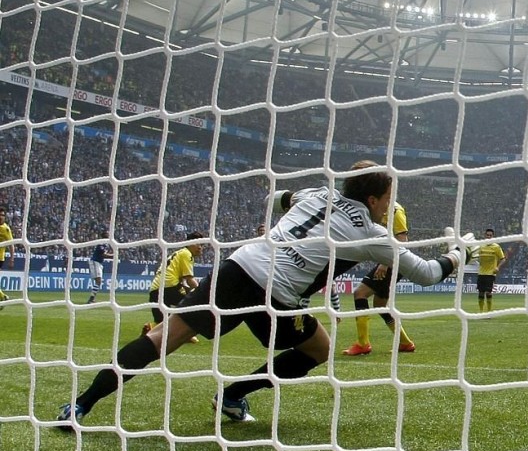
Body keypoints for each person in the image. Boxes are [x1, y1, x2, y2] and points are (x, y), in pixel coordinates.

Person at [56, 161, 477, 427]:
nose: (390, 204)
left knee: (164, 337)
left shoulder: (316, 193)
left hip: (240, 267)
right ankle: (235, 393)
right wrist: (460, 254)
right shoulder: (372, 233)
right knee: (319, 348)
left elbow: (274, 198)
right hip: (278, 295)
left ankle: (79, 406)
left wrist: (291, 207)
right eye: (388, 197)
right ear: (372, 198)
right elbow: (425, 274)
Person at [342, 200, 415, 355]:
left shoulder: (395, 210)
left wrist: (385, 264)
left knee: (360, 293)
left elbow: (402, 241)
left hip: (394, 262)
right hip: (391, 260)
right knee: (380, 305)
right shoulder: (375, 207)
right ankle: (405, 343)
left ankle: (363, 344)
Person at [141, 231, 204, 342]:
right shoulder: (186, 254)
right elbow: (190, 280)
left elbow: (184, 282)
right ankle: (186, 333)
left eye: (202, 245)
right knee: (194, 304)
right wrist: (203, 292)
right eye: (197, 244)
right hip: (168, 288)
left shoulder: (179, 253)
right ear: (189, 243)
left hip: (156, 290)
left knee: (163, 323)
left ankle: (150, 328)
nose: (200, 247)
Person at [475, 228, 506, 312]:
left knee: (488, 293)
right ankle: (481, 312)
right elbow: (476, 256)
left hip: (490, 274)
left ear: (493, 236)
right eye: (487, 235)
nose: (489, 237)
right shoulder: (480, 246)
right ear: (485, 235)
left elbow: (503, 259)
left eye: (490, 235)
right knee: (481, 293)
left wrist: (497, 267)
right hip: (481, 273)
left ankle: (488, 312)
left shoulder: (496, 247)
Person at [86, 237, 114, 304]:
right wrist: (113, 255)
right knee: (98, 281)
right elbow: (103, 255)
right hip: (95, 262)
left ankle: (92, 298)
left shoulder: (105, 245)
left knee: (98, 282)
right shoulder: (100, 245)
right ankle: (91, 299)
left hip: (99, 263)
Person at [0, 206, 14, 307]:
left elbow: (11, 244)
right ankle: (3, 297)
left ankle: (3, 296)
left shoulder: (6, 229)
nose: (1, 217)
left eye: (3, 215)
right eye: (0, 215)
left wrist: (12, 259)